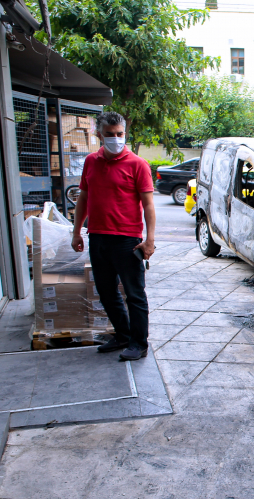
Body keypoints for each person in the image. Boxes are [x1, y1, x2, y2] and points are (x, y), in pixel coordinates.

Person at [71, 111, 156, 361]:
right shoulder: (90, 161)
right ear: (99, 134)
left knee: (134, 293)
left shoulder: (137, 164)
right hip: (97, 237)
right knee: (106, 291)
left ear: (125, 133)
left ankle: (139, 343)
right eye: (110, 135)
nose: (116, 139)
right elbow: (84, 198)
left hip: (127, 240)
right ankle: (122, 335)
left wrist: (149, 239)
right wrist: (77, 231)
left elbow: (148, 205)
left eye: (120, 134)